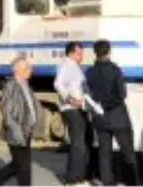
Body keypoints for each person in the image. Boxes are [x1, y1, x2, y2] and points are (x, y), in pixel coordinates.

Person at [85, 39, 138, 187]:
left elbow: (90, 92)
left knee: (104, 153)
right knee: (127, 151)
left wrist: (101, 104)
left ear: (95, 53)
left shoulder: (90, 71)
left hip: (100, 117)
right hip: (118, 116)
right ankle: (132, 182)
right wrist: (110, 103)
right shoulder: (115, 70)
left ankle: (107, 183)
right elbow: (122, 94)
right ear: (109, 52)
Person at [0, 55, 41, 187]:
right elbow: (7, 112)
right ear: (18, 70)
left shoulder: (26, 86)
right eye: (28, 67)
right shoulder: (11, 86)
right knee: (24, 167)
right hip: (16, 132)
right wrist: (17, 132)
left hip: (27, 131)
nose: (31, 70)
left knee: (19, 162)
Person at [54, 42, 94, 187]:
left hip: (80, 108)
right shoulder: (66, 64)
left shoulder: (75, 66)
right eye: (78, 53)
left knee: (82, 143)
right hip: (71, 108)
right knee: (78, 144)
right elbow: (58, 84)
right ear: (70, 53)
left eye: (81, 52)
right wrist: (70, 99)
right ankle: (73, 179)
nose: (81, 55)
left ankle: (79, 175)